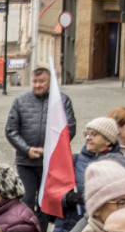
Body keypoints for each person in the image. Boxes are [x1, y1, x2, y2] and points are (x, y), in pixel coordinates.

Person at [47, 117, 120, 232]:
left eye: (94, 134)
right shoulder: (73, 160)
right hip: (70, 224)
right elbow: (53, 192)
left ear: (108, 141)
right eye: (87, 133)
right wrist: (67, 198)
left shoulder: (119, 163)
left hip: (101, 227)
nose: (88, 137)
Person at [5, 67, 76, 210]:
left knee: (46, 202)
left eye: (42, 81)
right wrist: (27, 149)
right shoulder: (20, 101)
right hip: (26, 162)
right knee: (27, 200)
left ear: (50, 82)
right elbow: (11, 130)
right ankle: (28, 230)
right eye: (35, 81)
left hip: (51, 162)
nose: (37, 85)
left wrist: (50, 149)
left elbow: (69, 129)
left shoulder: (62, 101)